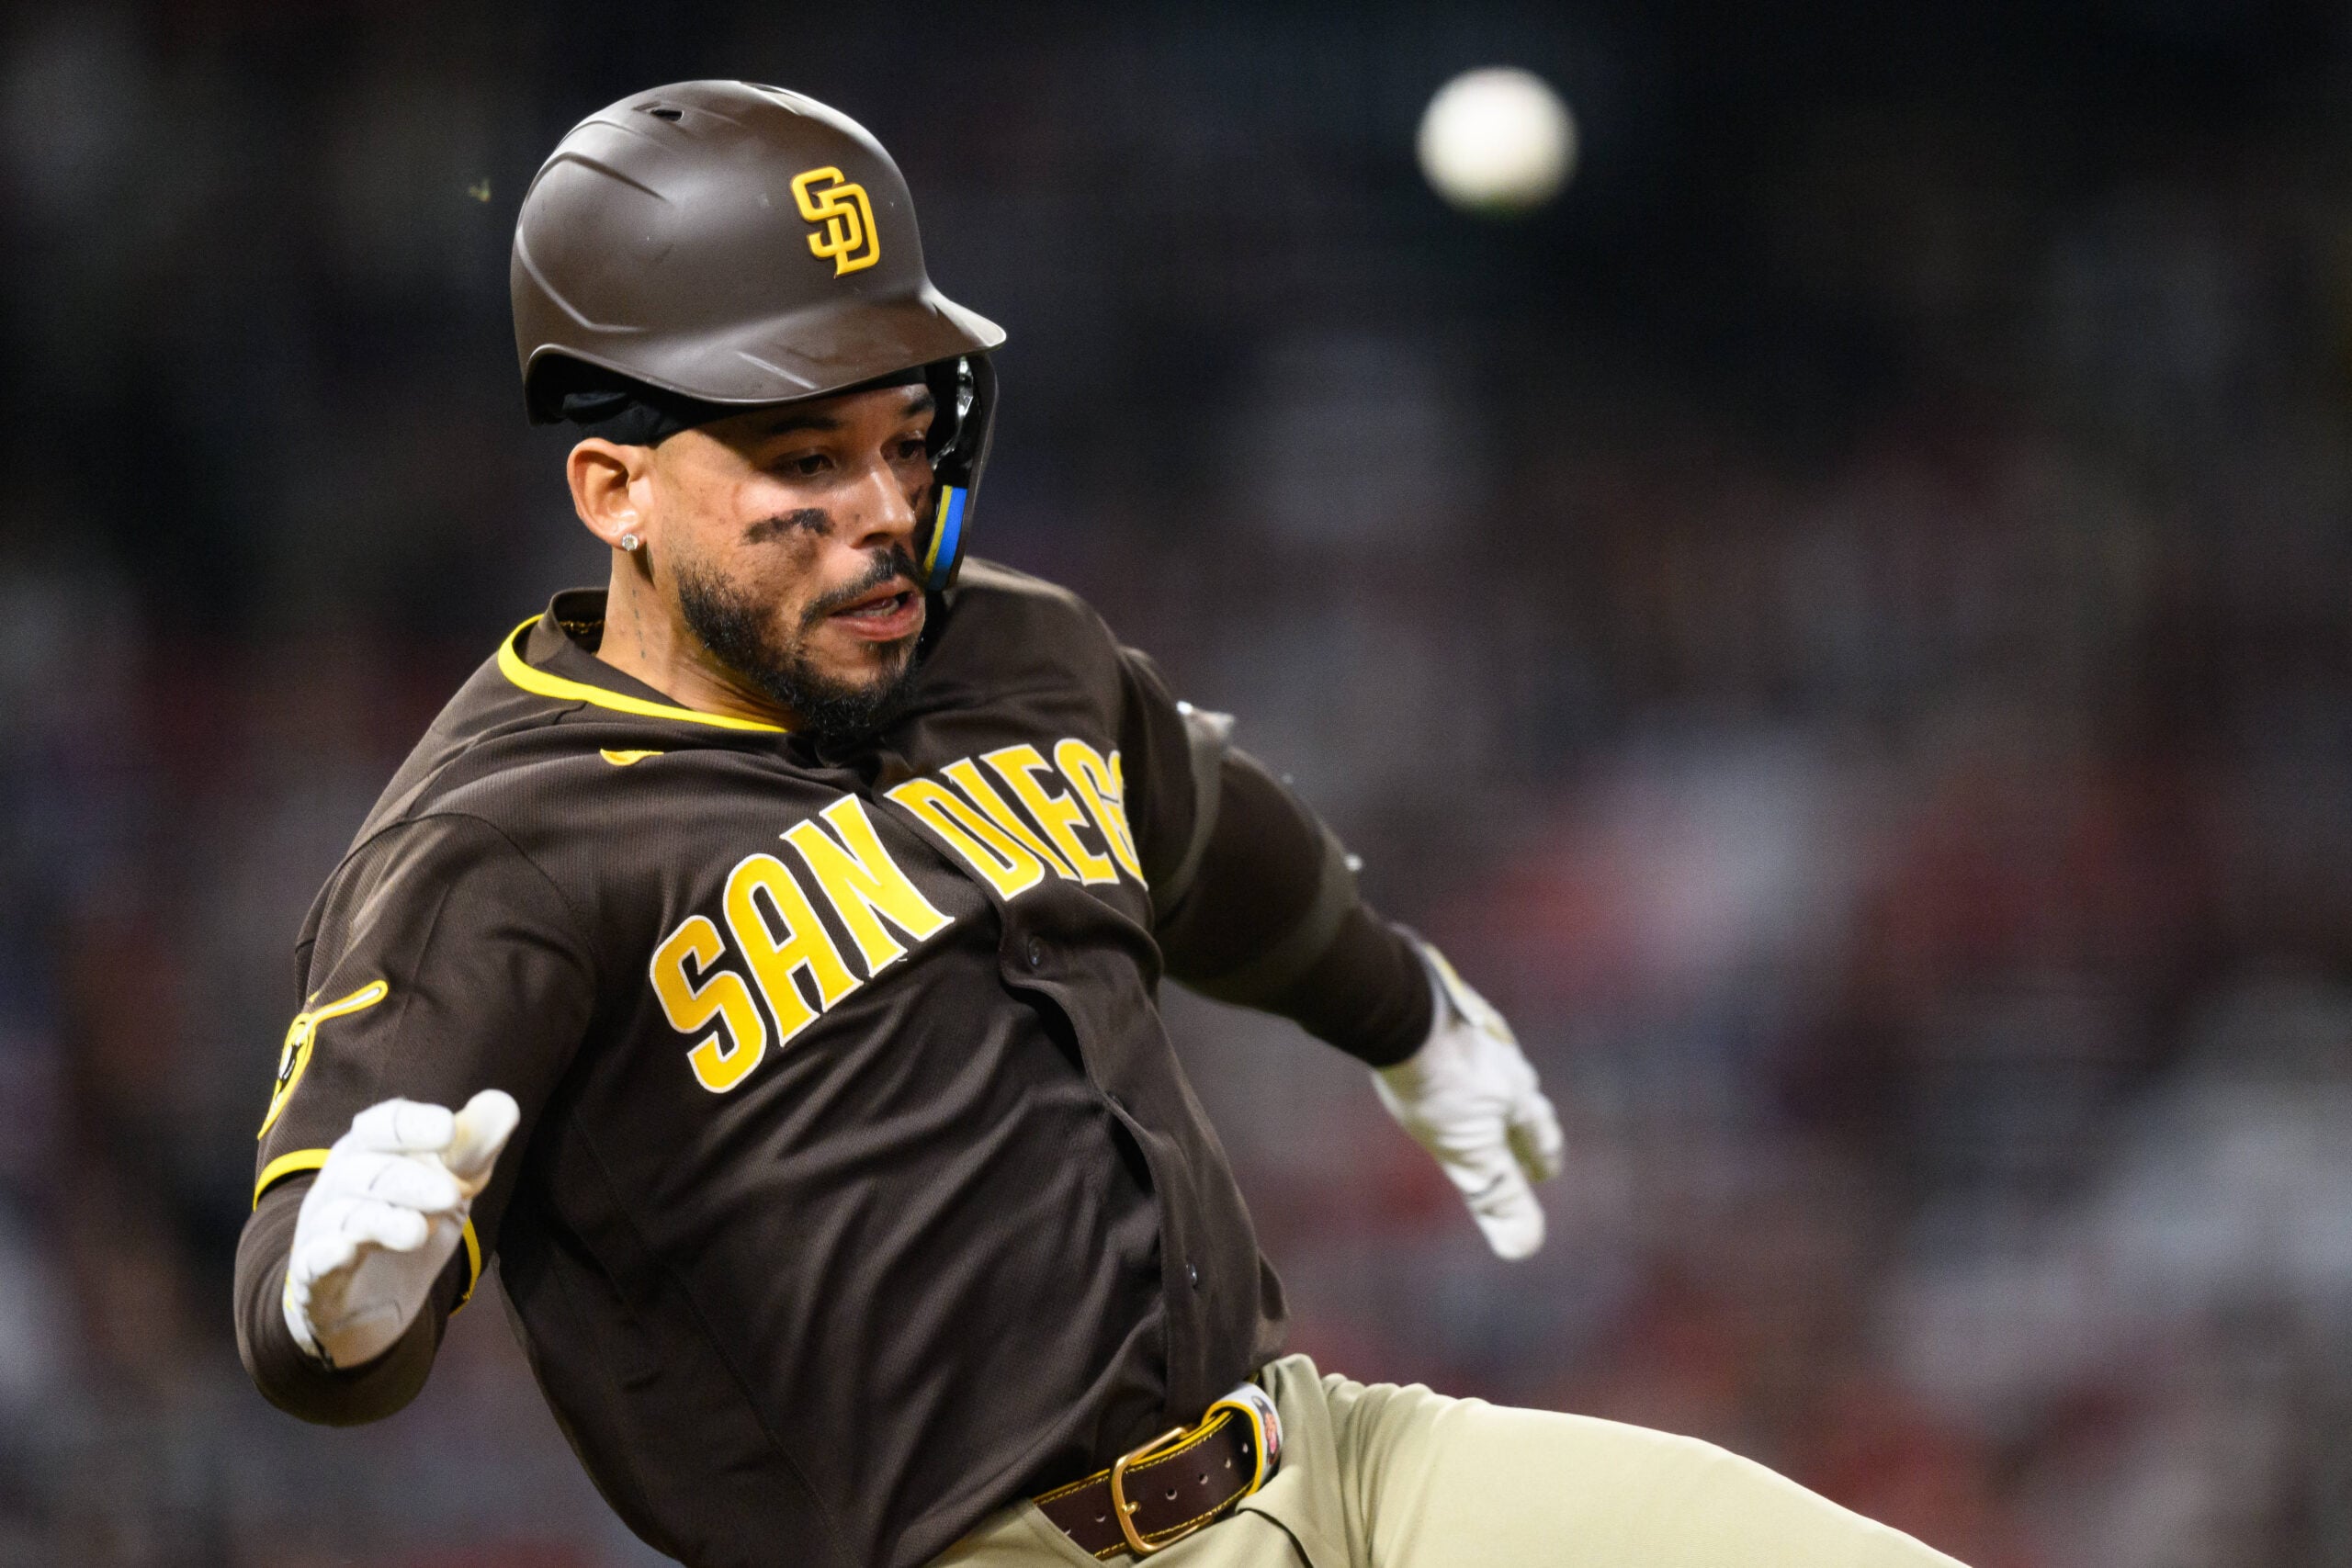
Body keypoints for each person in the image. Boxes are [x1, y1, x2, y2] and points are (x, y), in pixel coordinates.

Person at [232, 81, 1962, 1568]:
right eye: (804, 461)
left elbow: (1209, 837)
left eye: (904, 441)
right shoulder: (491, 847)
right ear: (614, 485)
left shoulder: (1013, 653)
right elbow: (317, 1300)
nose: (884, 511)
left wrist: (1406, 1011)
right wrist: (335, 1311)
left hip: (1343, 1469)